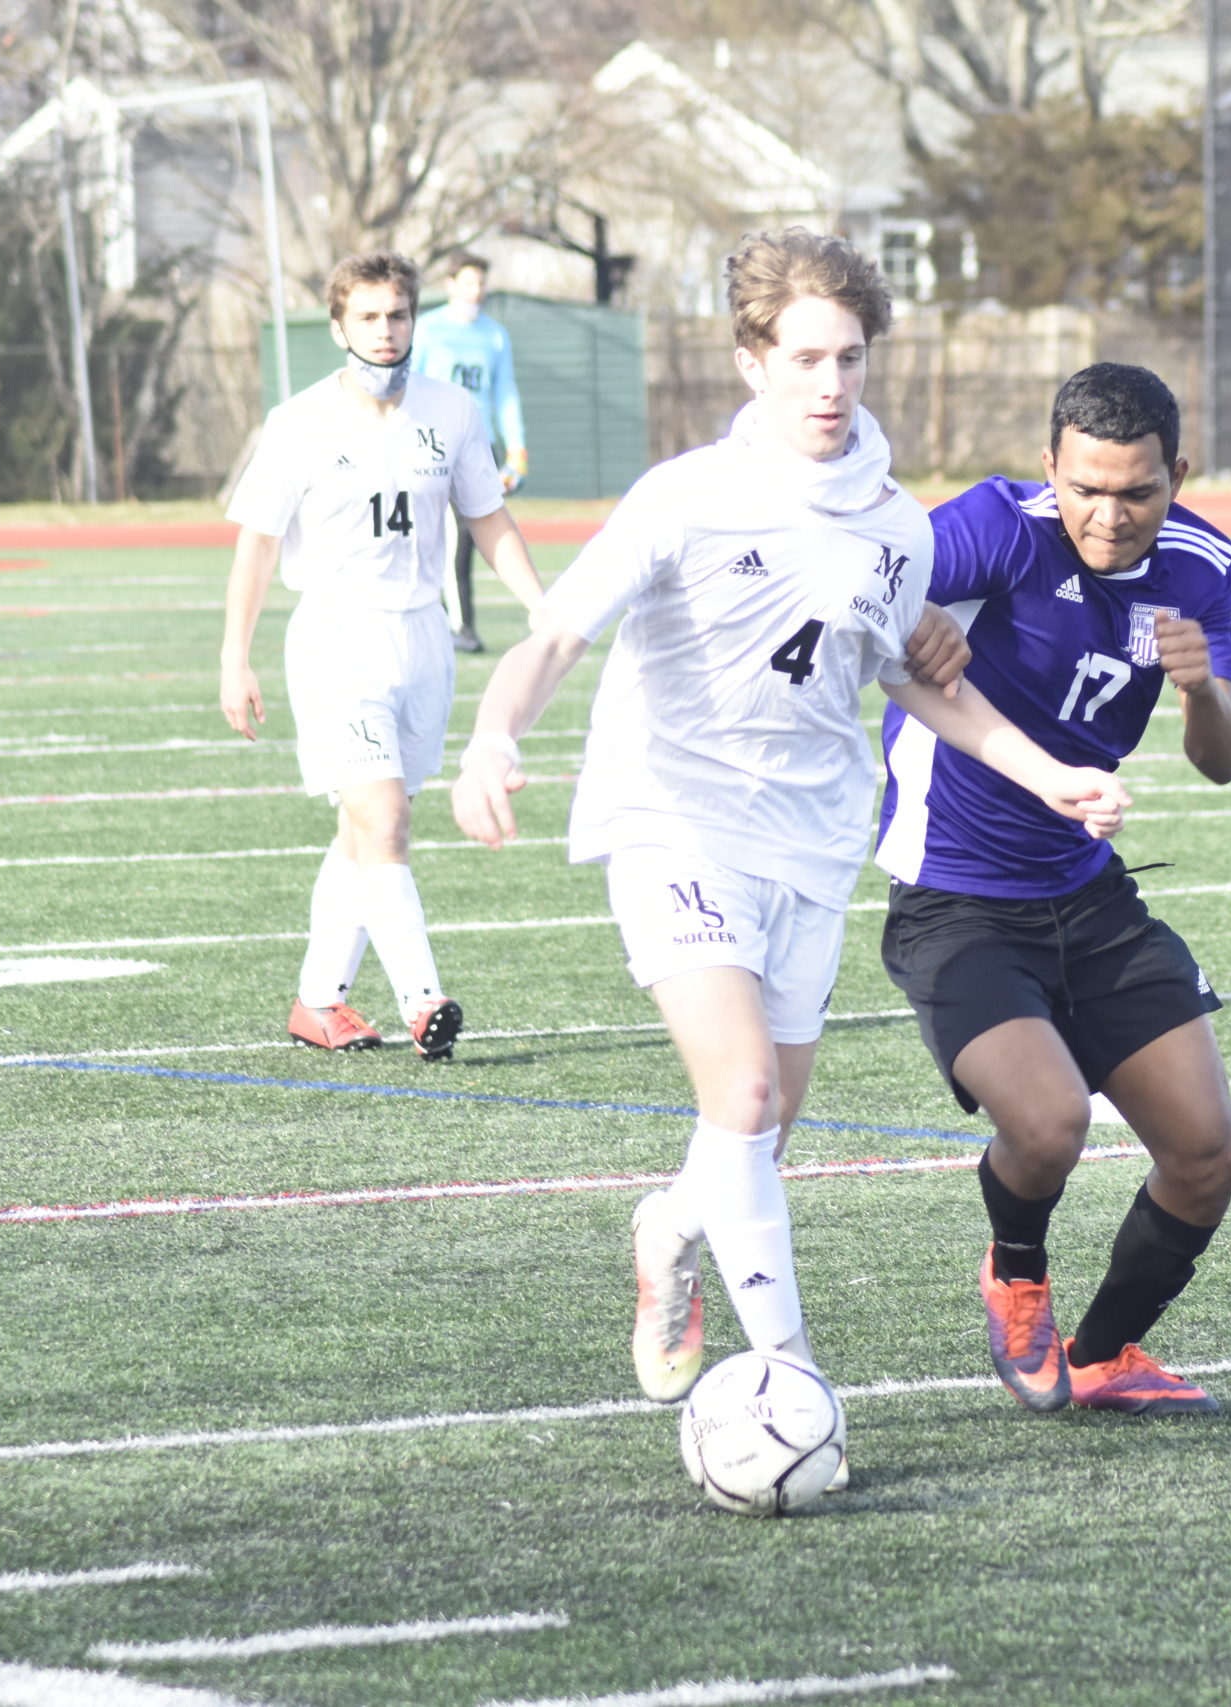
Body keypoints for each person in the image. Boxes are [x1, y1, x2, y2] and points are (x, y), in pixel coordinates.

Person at [449, 232, 1129, 1444]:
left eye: (850, 357)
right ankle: (794, 1383)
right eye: (805, 356)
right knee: (747, 1093)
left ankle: (669, 1227)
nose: (831, 383)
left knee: (755, 1138)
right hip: (674, 821)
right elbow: (554, 636)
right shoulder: (685, 496)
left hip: (811, 844)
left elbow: (918, 680)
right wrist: (497, 736)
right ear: (751, 359)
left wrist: (1051, 774)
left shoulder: (895, 527)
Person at [875, 362, 1231, 1416]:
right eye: (1085, 487)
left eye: (1136, 491)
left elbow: (1222, 761)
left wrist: (1201, 690)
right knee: (1047, 1126)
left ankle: (1104, 1353)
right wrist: (907, 615)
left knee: (1208, 1153)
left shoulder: (1203, 564)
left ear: (1178, 474)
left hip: (1086, 893)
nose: (1108, 513)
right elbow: (864, 577)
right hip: (953, 896)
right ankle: (1016, 1272)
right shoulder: (998, 526)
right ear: (1051, 467)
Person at [220, 250, 547, 1059]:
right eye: (367, 316)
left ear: (414, 319)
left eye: (396, 314)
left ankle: (318, 1003)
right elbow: (257, 546)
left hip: (422, 636)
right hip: (336, 636)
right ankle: (422, 999)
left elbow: (487, 520)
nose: (385, 330)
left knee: (360, 833)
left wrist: (546, 610)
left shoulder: (451, 411)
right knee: (385, 817)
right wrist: (236, 655)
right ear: (338, 326)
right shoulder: (297, 421)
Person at [411, 252, 528, 654]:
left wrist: (517, 450)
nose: (475, 290)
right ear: (450, 284)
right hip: (436, 444)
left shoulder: (495, 335)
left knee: (475, 533)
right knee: (448, 535)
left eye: (480, 282)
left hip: (481, 446)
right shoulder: (428, 330)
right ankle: (458, 625)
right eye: (468, 282)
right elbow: (413, 386)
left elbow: (505, 393)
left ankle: (451, 623)